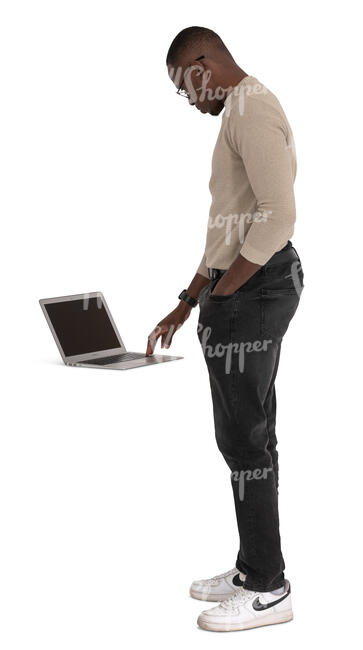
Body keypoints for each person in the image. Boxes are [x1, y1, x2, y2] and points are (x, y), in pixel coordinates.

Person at [146, 26, 304, 633]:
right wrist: (188, 301)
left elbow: (278, 216)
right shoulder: (236, 113)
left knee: (244, 440)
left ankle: (269, 588)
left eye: (185, 84)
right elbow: (229, 229)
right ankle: (253, 567)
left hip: (257, 289)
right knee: (249, 437)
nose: (188, 99)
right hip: (243, 288)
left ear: (204, 63)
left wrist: (225, 293)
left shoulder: (252, 109)